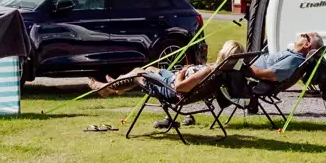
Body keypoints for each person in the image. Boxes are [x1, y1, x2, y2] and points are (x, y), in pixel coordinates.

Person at [87, 39, 243, 97]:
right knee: (151, 68)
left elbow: (179, 87)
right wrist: (192, 68)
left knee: (138, 72)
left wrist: (183, 72)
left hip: (170, 87)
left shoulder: (209, 71)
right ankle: (117, 86)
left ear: (222, 54)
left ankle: (105, 87)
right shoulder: (223, 72)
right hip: (172, 80)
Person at [249, 32, 322, 83]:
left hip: (248, 69)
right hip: (251, 62)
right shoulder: (293, 56)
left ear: (307, 44)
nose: (301, 35)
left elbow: (268, 74)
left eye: (305, 36)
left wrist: (243, 68)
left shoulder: (293, 60)